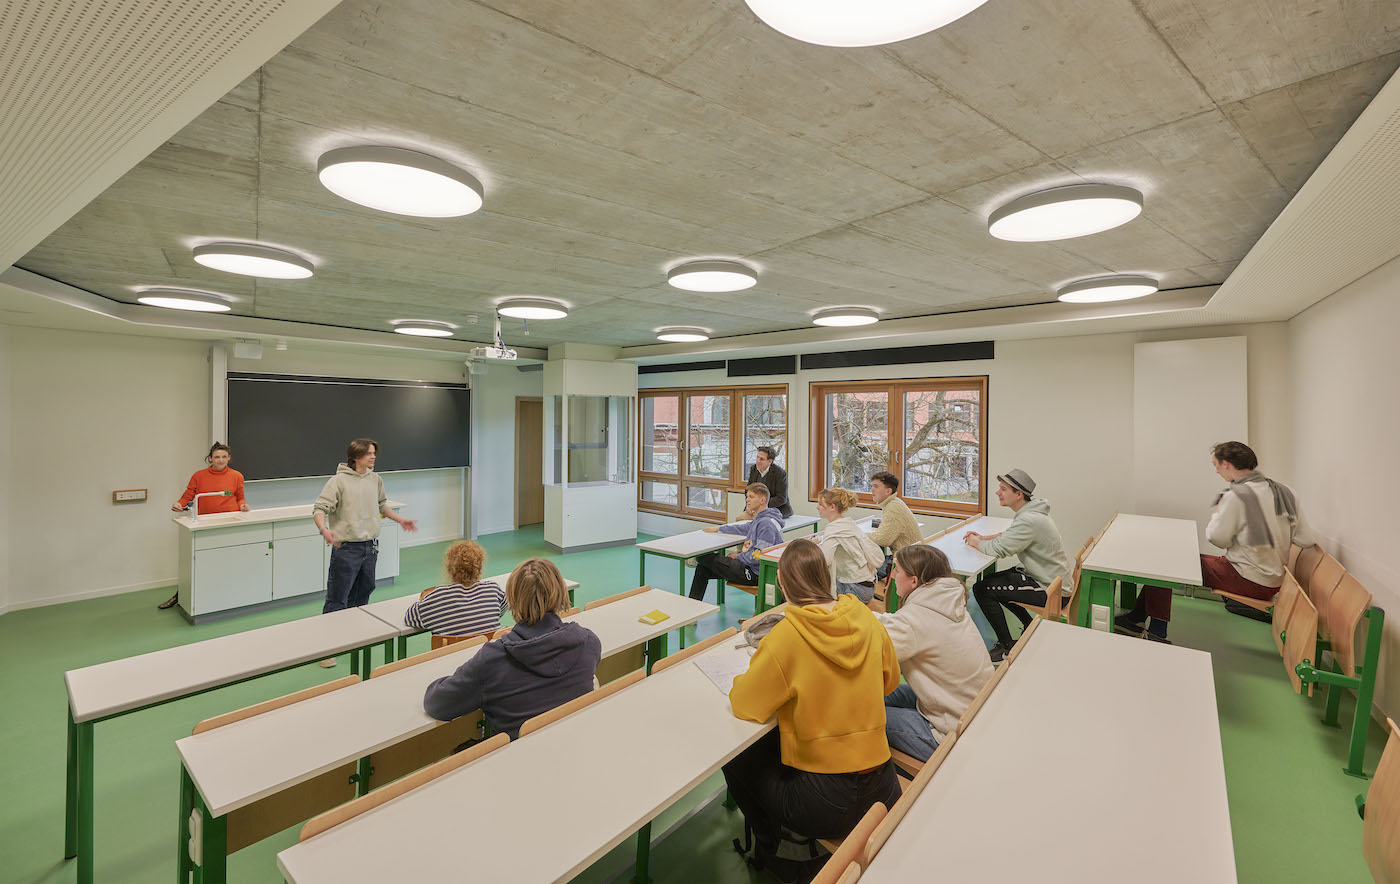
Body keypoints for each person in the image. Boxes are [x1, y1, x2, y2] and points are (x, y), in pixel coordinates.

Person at [724, 538, 902, 878]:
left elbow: (745, 705)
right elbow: (889, 682)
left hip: (826, 802)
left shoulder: (787, 635)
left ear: (782, 581)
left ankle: (773, 847)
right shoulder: (867, 619)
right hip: (884, 785)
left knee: (737, 759)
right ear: (825, 575)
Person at [1117, 441, 1316, 642]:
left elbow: (1216, 538)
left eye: (1216, 465)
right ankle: (1135, 619)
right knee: (1170, 560)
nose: (1216, 471)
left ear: (1226, 464)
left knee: (1165, 563)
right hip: (1274, 581)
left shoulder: (1238, 495)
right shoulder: (1286, 491)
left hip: (1247, 578)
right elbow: (1306, 539)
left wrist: (1219, 513)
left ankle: (1157, 633)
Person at [423, 557, 601, 740]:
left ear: (513, 600)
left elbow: (436, 704)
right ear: (561, 593)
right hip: (574, 745)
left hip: (517, 755)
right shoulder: (589, 642)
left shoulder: (492, 660)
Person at [874, 544, 993, 762]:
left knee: (863, 712)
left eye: (897, 570)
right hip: (971, 710)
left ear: (913, 581)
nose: (893, 576)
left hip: (949, 733)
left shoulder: (914, 621)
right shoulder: (945, 602)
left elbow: (869, 652)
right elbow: (901, 624)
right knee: (876, 695)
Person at [313, 438, 418, 666]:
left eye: (374, 453)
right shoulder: (338, 481)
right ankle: (328, 649)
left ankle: (353, 638)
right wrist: (323, 529)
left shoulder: (375, 479)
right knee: (337, 599)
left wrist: (401, 520)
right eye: (369, 453)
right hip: (346, 549)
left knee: (362, 596)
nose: (373, 457)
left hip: (370, 548)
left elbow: (382, 505)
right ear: (356, 456)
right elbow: (319, 508)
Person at [966, 469, 1073, 663]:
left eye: (1003, 489)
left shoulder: (1029, 519)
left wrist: (975, 542)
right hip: (1050, 580)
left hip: (1051, 590)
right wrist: (983, 538)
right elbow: (1008, 536)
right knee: (992, 582)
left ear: (1018, 494)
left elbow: (1000, 549)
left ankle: (1007, 647)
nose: (998, 493)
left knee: (983, 589)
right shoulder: (1032, 513)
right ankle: (1028, 626)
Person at [160, 442, 249, 609]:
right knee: (198, 562)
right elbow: (188, 495)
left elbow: (240, 497)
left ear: (229, 458)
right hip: (204, 522)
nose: (220, 460)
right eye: (217, 457)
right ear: (210, 459)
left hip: (229, 521)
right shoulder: (199, 476)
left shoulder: (237, 476)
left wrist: (243, 506)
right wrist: (179, 504)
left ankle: (224, 597)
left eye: (224, 457)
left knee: (227, 561)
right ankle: (182, 596)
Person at [688, 483, 785, 601]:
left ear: (762, 500)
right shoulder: (763, 519)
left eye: (751, 497)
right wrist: (719, 528)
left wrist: (738, 556)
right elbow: (743, 527)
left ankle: (695, 558)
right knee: (703, 569)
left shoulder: (766, 524)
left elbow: (758, 556)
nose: (747, 500)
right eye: (747, 497)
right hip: (749, 567)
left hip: (754, 574)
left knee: (704, 557)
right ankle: (693, 605)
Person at [403, 540, 505, 639]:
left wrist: (425, 600)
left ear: (449, 568)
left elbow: (409, 618)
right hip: (488, 650)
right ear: (479, 568)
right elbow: (503, 607)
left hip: (454, 651)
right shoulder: (493, 590)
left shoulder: (436, 597)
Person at [813, 488, 885, 602]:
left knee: (810, 587)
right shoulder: (848, 523)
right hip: (867, 586)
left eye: (820, 504)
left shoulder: (833, 528)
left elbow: (824, 560)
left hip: (854, 589)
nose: (817, 507)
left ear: (832, 507)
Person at [867, 471, 923, 581]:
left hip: (906, 562)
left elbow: (883, 540)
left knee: (861, 569)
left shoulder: (893, 508)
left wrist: (860, 535)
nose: (871, 490)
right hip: (911, 557)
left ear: (888, 491)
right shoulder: (895, 503)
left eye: (876, 486)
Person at [741, 445, 793, 519]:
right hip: (755, 508)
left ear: (770, 461)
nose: (758, 461)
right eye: (757, 457)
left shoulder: (779, 473)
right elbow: (748, 490)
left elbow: (781, 498)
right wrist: (749, 505)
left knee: (762, 523)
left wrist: (760, 506)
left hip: (775, 509)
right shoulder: (754, 469)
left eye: (761, 459)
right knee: (740, 519)